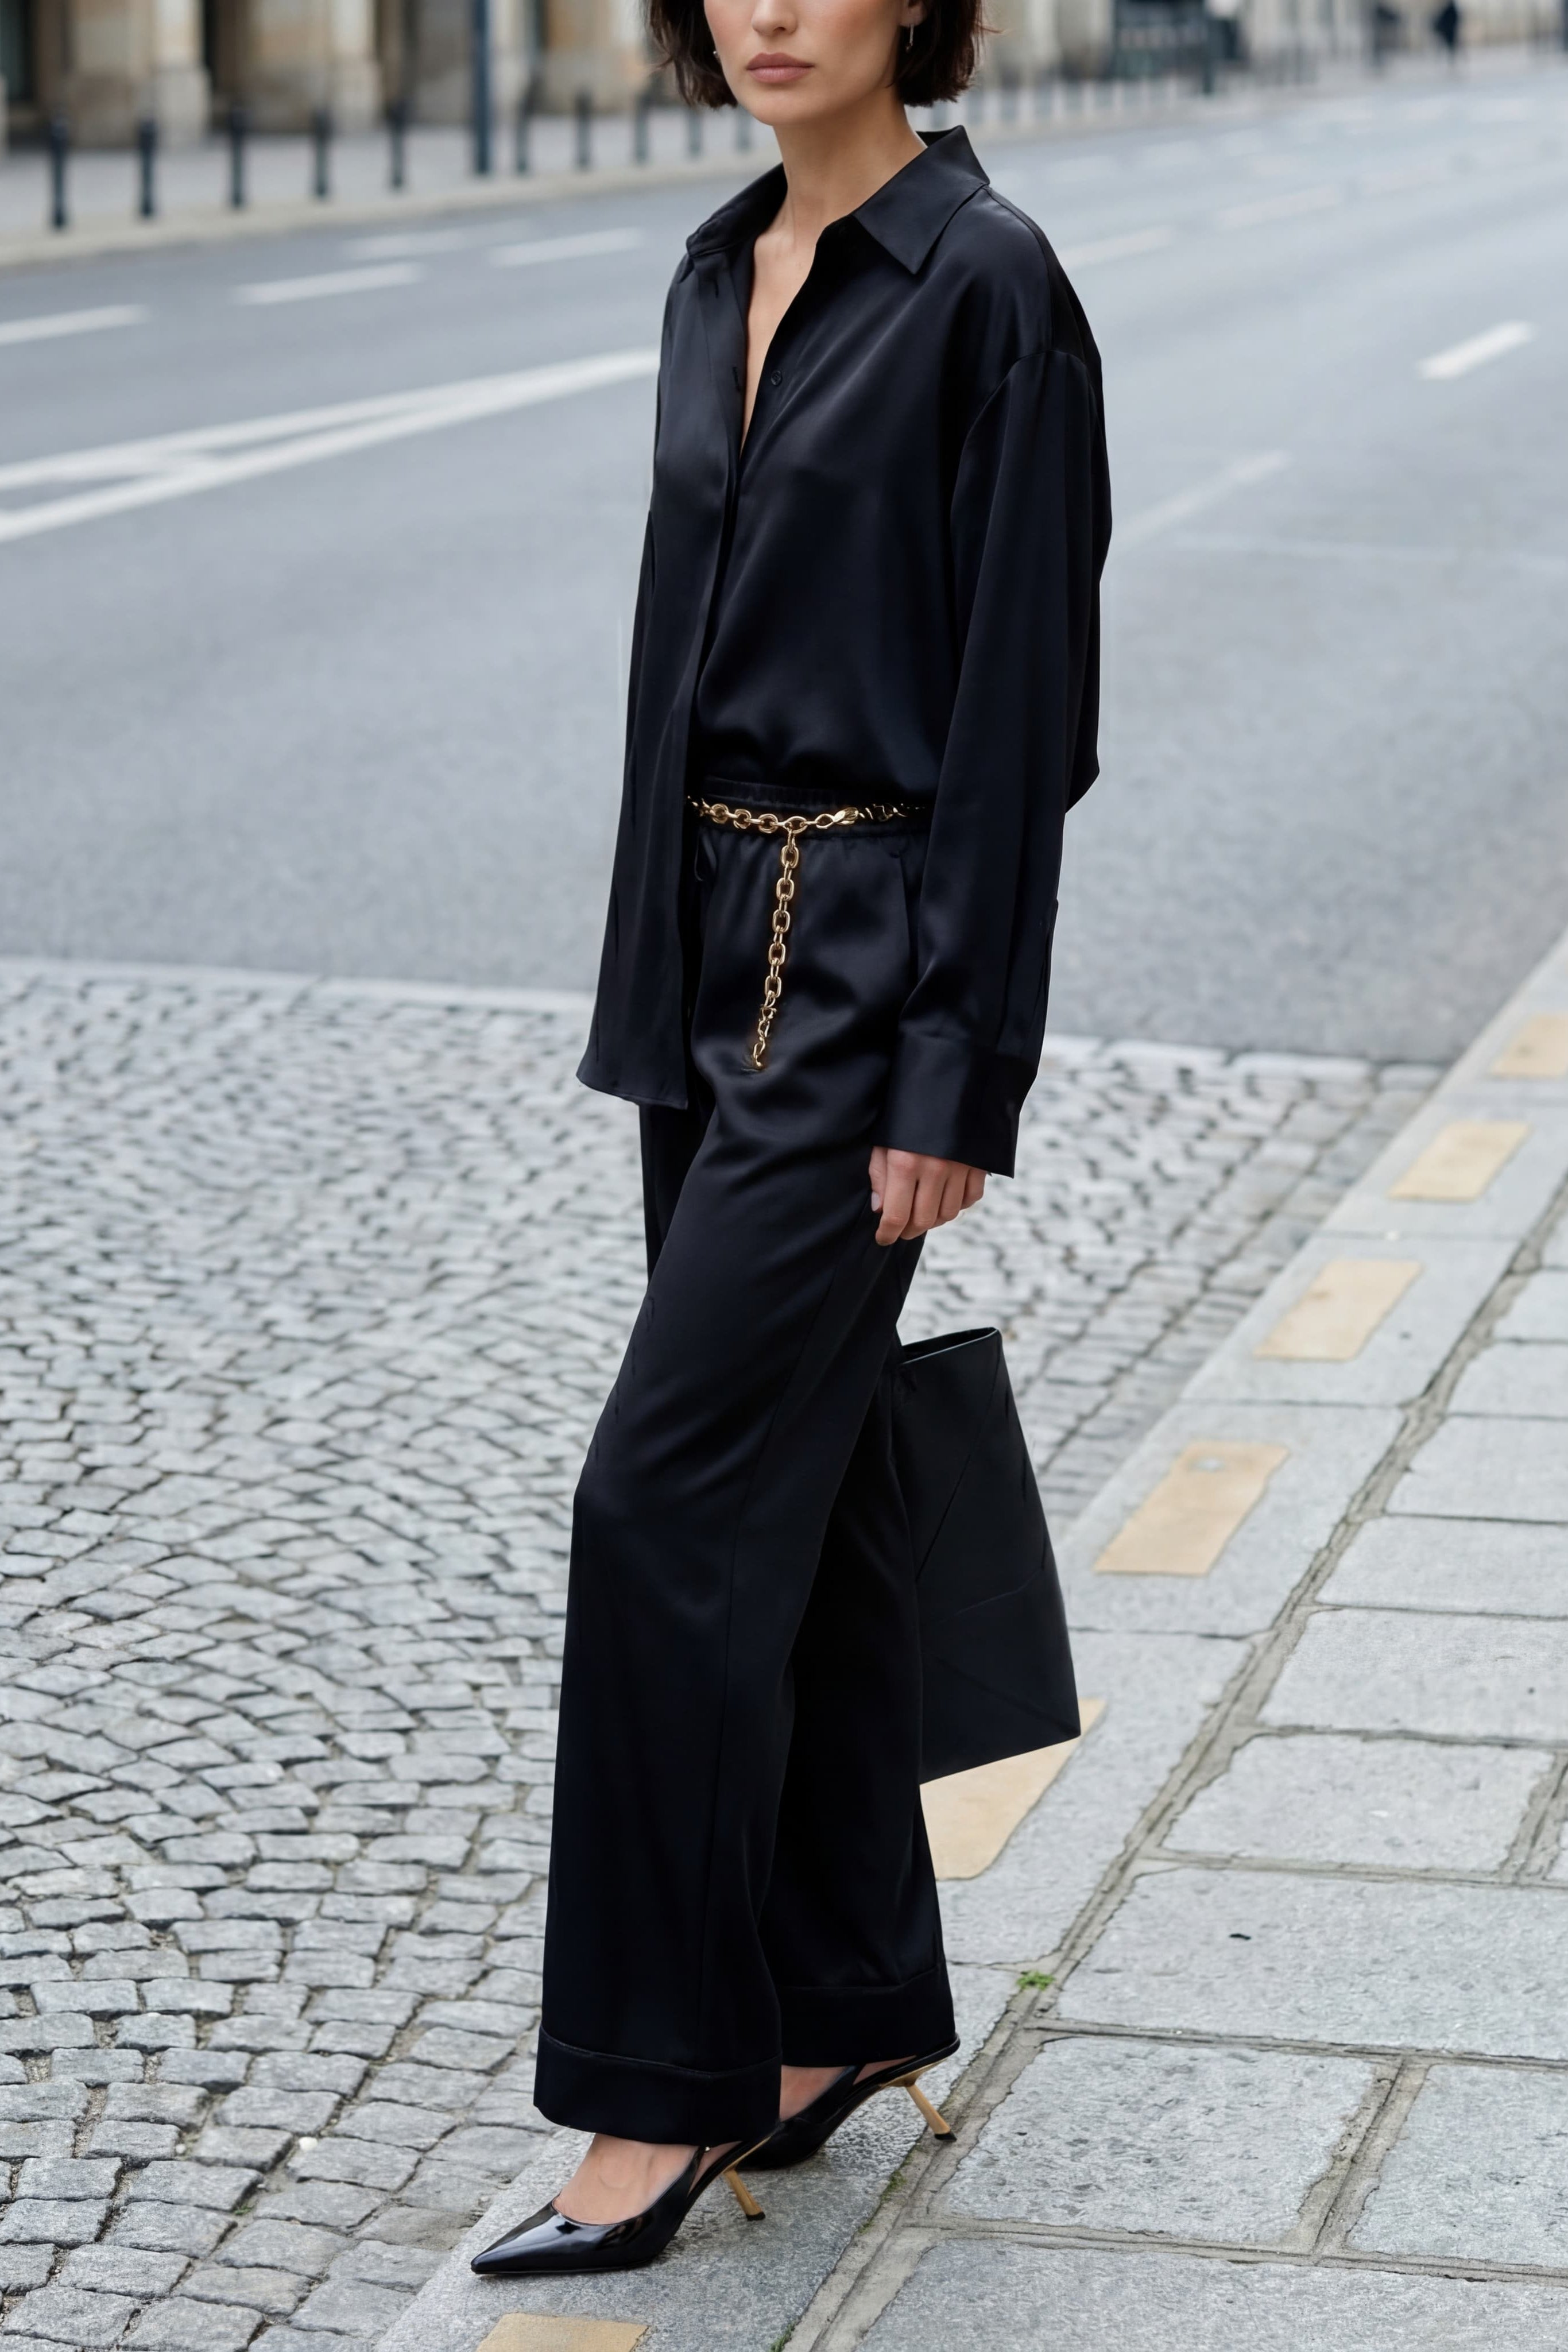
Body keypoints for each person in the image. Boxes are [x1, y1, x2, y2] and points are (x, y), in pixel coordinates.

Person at [472, 0, 1110, 2281]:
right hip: (708, 953)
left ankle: (647, 2103)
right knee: (813, 1494)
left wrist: (956, 1064)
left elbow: (1023, 703)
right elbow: (673, 658)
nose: (766, 7)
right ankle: (833, 2006)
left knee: (656, 1504)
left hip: (857, 960)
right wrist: (648, 984)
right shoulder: (711, 264)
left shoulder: (985, 285)